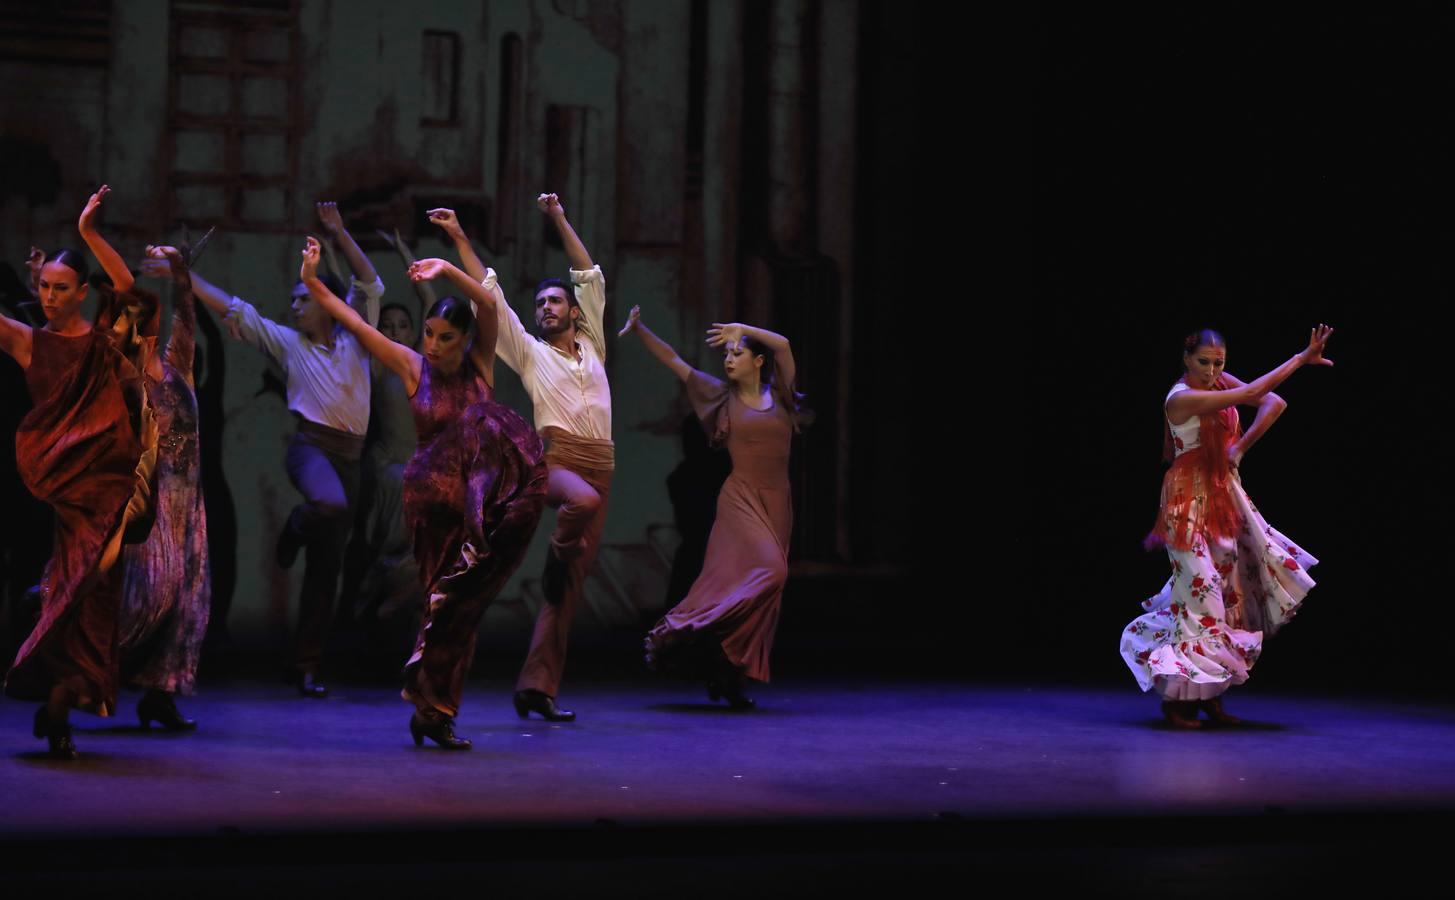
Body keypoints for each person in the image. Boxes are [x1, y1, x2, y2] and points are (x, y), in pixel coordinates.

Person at [297, 236, 546, 748]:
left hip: (476, 504)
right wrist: (310, 281)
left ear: (464, 338)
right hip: (429, 501)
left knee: (465, 611)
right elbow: (358, 325)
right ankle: (433, 711)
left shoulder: (481, 366)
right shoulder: (414, 367)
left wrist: (449, 267)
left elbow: (488, 303)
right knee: (441, 606)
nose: (432, 343)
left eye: (444, 336)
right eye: (428, 333)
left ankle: (435, 711)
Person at [144, 202, 384, 696]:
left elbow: (370, 281)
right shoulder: (287, 342)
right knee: (329, 506)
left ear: (327, 301)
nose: (294, 306)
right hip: (311, 449)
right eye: (295, 299)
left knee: (327, 570)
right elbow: (231, 305)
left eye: (304, 298)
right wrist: (184, 277)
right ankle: (296, 526)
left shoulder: (357, 339)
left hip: (352, 456)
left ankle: (306, 665)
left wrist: (338, 232)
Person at [429, 194, 608, 722]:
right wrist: (458, 238)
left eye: (555, 303)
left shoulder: (593, 342)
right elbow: (491, 296)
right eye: (541, 304)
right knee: (578, 511)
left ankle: (537, 688)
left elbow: (586, 272)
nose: (545, 309)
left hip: (603, 460)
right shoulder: (529, 351)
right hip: (554, 460)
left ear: (574, 312)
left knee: (566, 590)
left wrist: (558, 216)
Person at [0, 186, 158, 758]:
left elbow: (131, 292)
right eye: (43, 287)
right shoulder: (29, 343)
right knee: (78, 588)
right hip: (66, 491)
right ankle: (57, 701)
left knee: (95, 605)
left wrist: (90, 232)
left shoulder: (101, 343)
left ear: (81, 293)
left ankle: (60, 707)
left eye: (60, 289)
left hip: (110, 490)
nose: (48, 297)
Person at [1121, 325, 1333, 728]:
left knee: (1230, 598)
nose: (1212, 369)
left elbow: (1274, 403)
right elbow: (1254, 395)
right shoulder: (1181, 398)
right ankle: (1176, 703)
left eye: (1219, 362)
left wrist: (1239, 447)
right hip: (1186, 502)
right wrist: (1301, 359)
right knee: (1201, 601)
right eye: (1204, 361)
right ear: (1186, 359)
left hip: (1224, 496)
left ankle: (1209, 696)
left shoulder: (1216, 382)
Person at [620, 306, 800, 709]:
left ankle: (728, 674)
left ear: (758, 361)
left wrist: (743, 328)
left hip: (777, 502)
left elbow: (784, 347)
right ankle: (689, 629)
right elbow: (674, 362)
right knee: (772, 571)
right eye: (726, 353)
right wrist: (640, 328)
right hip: (739, 500)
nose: (729, 359)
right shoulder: (721, 396)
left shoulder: (782, 398)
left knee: (764, 594)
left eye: (737, 352)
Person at [119, 244, 211, 731]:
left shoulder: (179, 366)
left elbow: (188, 313)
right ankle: (81, 671)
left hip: (188, 507)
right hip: (150, 504)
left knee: (187, 605)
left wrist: (179, 271)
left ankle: (160, 696)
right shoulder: (127, 378)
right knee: (150, 595)